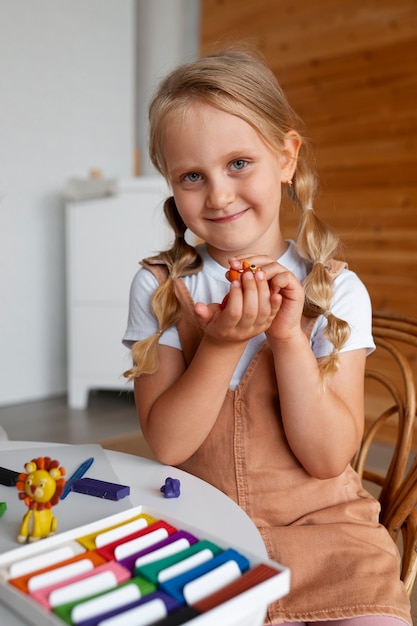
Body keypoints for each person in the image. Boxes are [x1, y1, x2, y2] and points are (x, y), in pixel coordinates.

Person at [122, 46, 411, 625]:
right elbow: (170, 446)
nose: (219, 195)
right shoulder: (160, 286)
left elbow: (329, 457)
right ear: (171, 185)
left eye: (239, 164)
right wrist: (223, 343)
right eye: (193, 177)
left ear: (285, 156)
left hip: (327, 533)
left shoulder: (337, 290)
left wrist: (286, 340)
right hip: (199, 530)